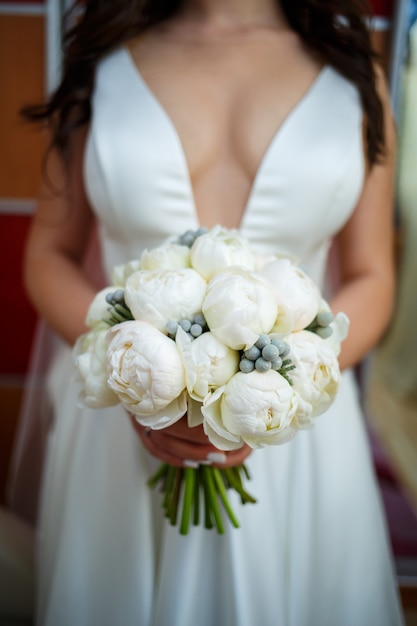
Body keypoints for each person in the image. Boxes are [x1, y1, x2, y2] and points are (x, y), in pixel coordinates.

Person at [21, 0, 404, 624]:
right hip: (121, 425)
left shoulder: (355, 70)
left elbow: (373, 277)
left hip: (292, 432)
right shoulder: (102, 56)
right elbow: (48, 256)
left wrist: (286, 378)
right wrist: (142, 379)